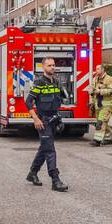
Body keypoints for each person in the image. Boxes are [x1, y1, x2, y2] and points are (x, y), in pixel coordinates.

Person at [25, 57, 68, 192]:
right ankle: (55, 180)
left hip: (54, 119)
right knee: (50, 150)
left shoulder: (56, 82)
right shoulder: (39, 83)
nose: (52, 68)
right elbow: (28, 102)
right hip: (42, 121)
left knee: (44, 148)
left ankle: (32, 173)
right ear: (43, 67)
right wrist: (35, 119)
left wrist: (60, 120)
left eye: (54, 65)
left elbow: (58, 102)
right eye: (49, 65)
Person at [89, 64, 112, 146]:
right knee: (103, 122)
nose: (96, 70)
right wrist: (91, 95)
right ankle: (108, 138)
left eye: (98, 69)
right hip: (98, 105)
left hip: (106, 105)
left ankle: (97, 140)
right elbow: (92, 90)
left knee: (100, 122)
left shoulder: (109, 79)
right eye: (96, 69)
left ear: (103, 69)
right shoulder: (95, 79)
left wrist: (100, 91)